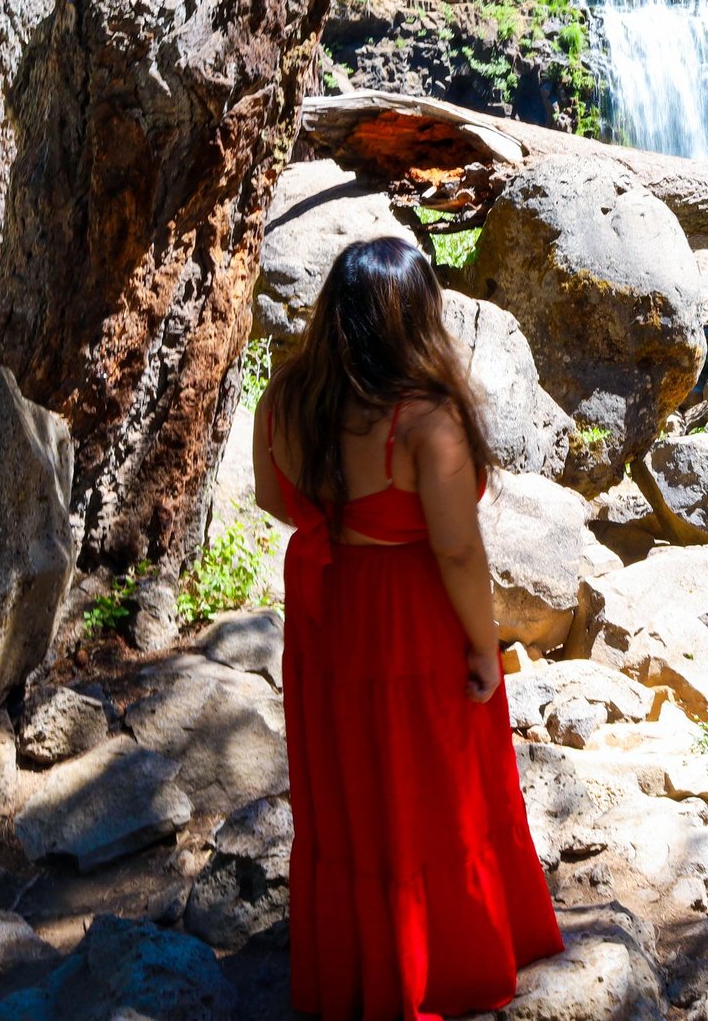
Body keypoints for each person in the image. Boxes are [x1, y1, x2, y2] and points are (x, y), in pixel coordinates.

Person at [253, 236, 562, 1019]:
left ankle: (360, 964)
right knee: (429, 787)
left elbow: (269, 498)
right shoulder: (427, 422)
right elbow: (457, 548)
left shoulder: (286, 397)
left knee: (350, 779)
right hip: (407, 616)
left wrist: (345, 523)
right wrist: (486, 649)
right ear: (418, 318)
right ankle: (437, 966)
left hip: (328, 612)